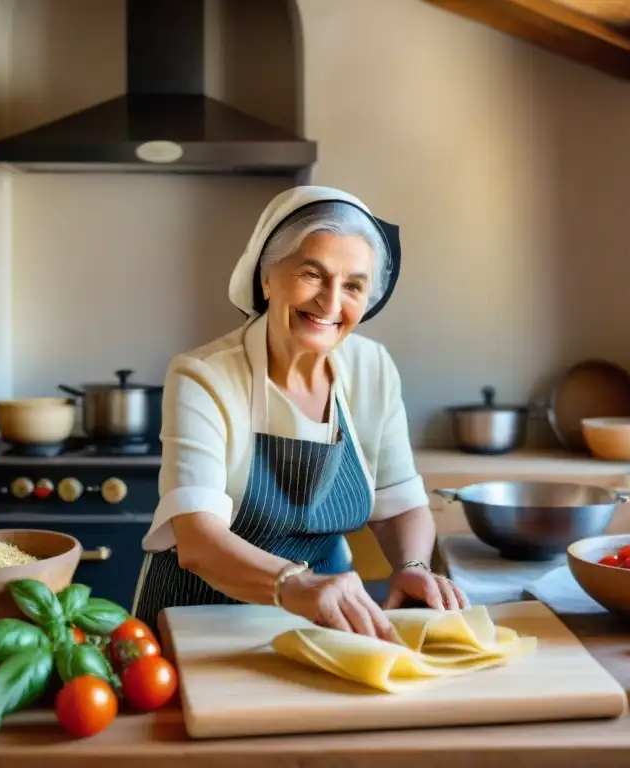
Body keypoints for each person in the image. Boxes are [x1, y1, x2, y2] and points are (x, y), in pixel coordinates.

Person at [132, 185, 469, 640]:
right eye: (312, 274)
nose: (330, 303)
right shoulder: (203, 376)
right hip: (200, 620)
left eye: (353, 286)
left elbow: (399, 505)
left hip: (323, 621)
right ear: (266, 278)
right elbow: (196, 538)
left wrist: (412, 566)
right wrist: (293, 585)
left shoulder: (372, 368)